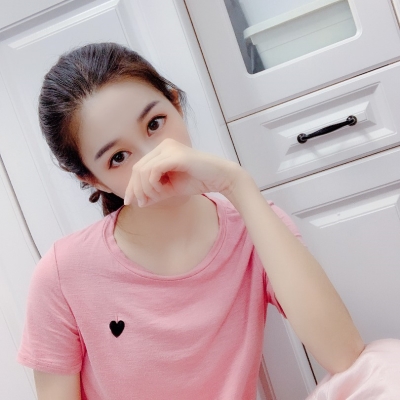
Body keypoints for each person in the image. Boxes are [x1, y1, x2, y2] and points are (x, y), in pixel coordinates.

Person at [16, 42, 399, 400]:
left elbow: (344, 356)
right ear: (93, 179)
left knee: (386, 366)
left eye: (155, 124)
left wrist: (237, 185)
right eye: (118, 157)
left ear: (176, 104)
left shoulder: (254, 225)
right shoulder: (63, 275)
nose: (154, 159)